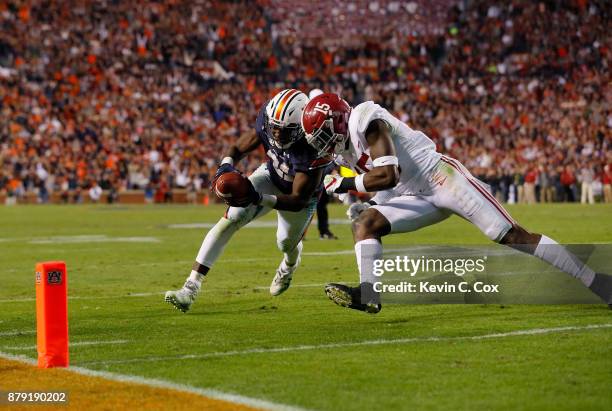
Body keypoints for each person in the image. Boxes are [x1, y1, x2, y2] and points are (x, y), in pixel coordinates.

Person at [300, 93, 611, 313]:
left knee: (511, 235)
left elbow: (389, 174)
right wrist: (369, 204)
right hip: (413, 195)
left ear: (339, 120)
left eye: (324, 134)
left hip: (442, 179)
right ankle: (369, 294)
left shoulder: (366, 120)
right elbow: (388, 186)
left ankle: (596, 281)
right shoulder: (344, 151)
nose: (323, 143)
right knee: (365, 225)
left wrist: (346, 184)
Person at [165, 89, 331, 312]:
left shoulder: (314, 144)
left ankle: (290, 265)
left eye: (286, 131)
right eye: (275, 128)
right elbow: (241, 145)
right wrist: (226, 164)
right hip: (271, 175)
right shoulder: (268, 118)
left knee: (286, 243)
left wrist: (258, 198)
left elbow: (297, 199)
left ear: (302, 127)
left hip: (299, 196)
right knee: (232, 217)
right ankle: (191, 286)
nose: (278, 135)